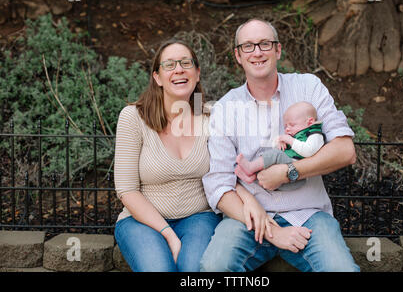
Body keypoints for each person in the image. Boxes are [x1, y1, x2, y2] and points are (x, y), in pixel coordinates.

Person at [200, 19, 360, 272]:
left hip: (309, 215)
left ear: (278, 50)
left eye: (265, 43)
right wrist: (272, 232)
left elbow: (345, 151)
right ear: (238, 55)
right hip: (248, 219)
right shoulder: (226, 107)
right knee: (214, 268)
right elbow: (218, 184)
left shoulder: (308, 87)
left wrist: (288, 173)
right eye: (248, 46)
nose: (257, 52)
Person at [113, 39, 221, 272]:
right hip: (141, 222)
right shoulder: (133, 117)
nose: (179, 69)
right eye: (169, 65)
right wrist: (169, 234)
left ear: (197, 73)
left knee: (193, 270)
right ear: (157, 77)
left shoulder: (212, 116)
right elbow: (127, 190)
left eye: (185, 63)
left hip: (199, 218)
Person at [235, 101, 325, 192]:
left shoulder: (315, 135)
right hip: (285, 176)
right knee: (268, 162)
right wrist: (279, 142)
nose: (287, 129)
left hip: (298, 172)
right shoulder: (296, 133)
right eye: (285, 126)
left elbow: (309, 151)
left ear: (310, 122)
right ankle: (251, 176)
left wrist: (289, 140)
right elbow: (276, 145)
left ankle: (250, 167)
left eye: (292, 125)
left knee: (276, 155)